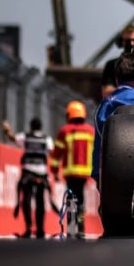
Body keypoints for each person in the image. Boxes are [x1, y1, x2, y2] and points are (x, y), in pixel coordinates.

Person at [3, 117, 54, 239]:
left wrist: (7, 130)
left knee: (26, 199)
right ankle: (40, 229)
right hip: (41, 173)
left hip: (28, 173)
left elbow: (12, 138)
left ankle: (28, 227)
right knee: (40, 201)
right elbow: (52, 150)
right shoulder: (46, 139)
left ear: (31, 126)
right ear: (41, 127)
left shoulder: (25, 136)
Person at [51, 101, 96, 237]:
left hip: (70, 173)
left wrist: (54, 170)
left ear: (69, 114)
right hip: (84, 173)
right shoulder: (90, 131)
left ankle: (71, 228)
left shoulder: (65, 131)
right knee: (81, 201)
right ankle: (81, 229)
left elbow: (56, 153)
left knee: (71, 200)